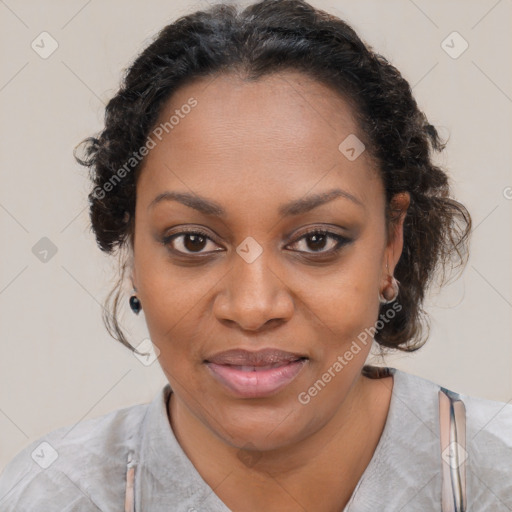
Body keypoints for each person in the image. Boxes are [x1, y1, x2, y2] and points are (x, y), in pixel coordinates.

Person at [1, 0, 510, 510]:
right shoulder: (51, 493)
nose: (252, 306)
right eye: (193, 241)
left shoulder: (496, 477)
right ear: (132, 254)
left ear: (390, 244)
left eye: (317, 240)